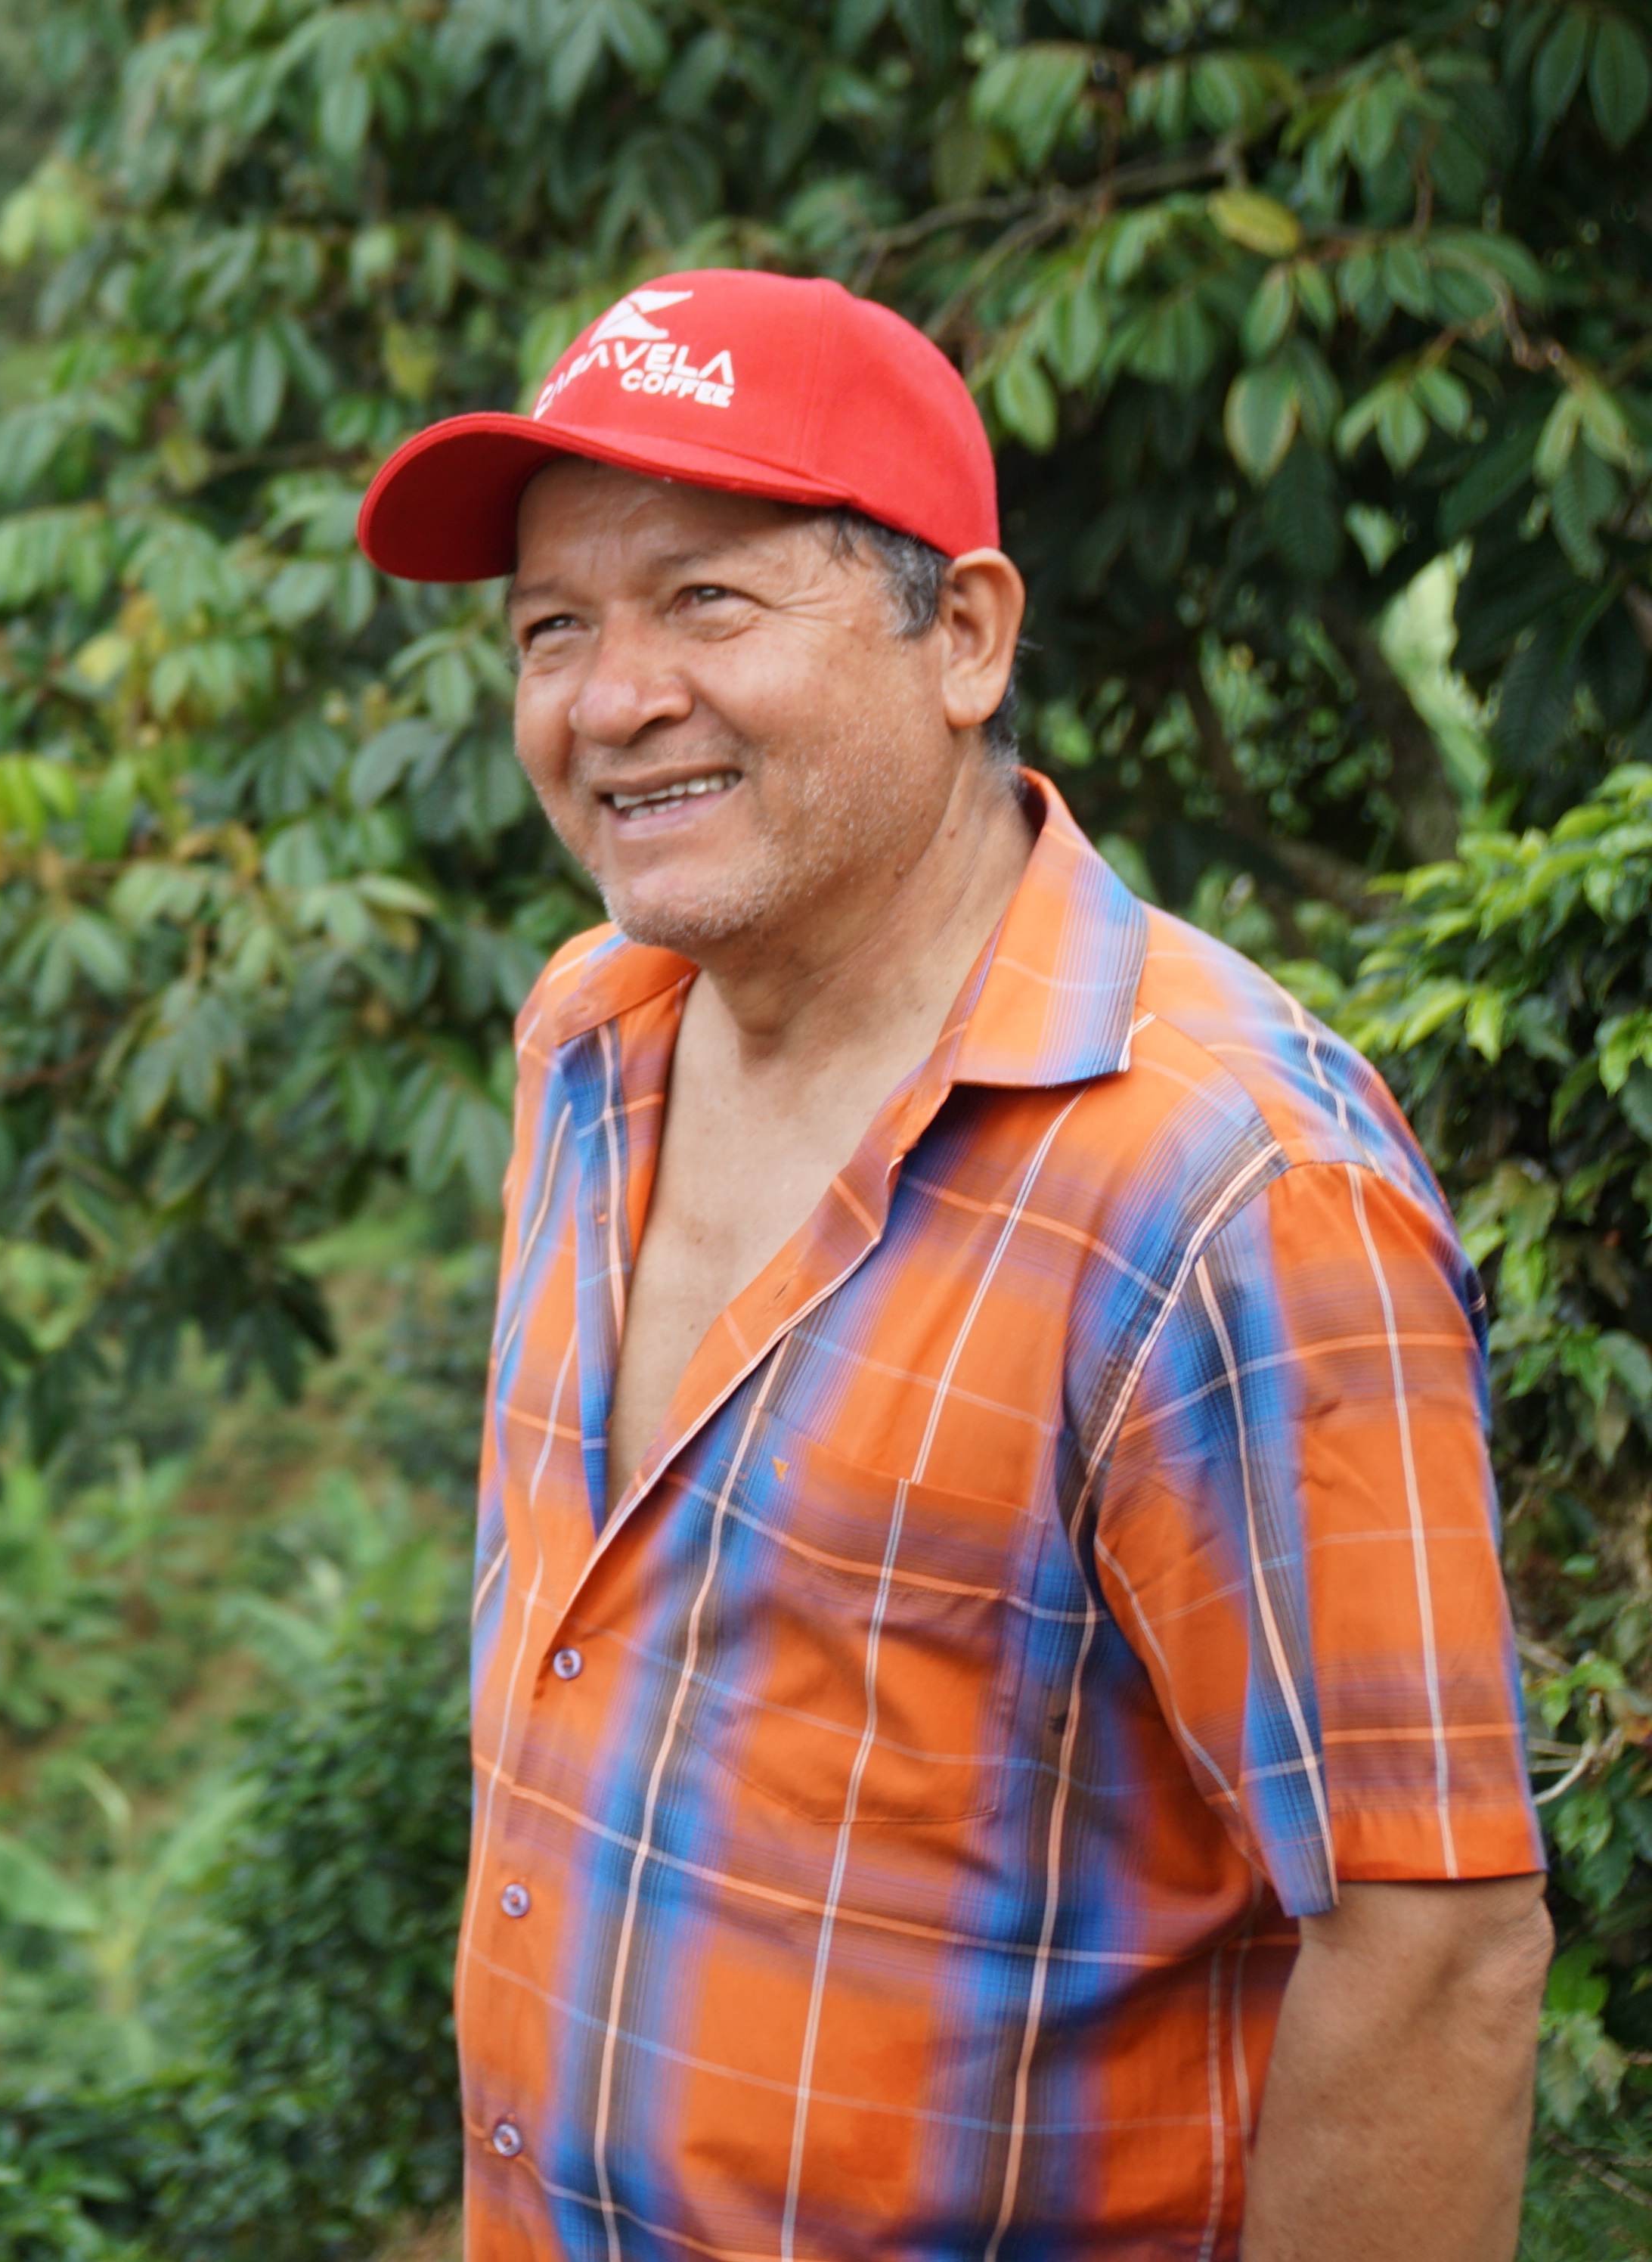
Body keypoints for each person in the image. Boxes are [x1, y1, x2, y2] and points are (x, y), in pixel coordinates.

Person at [355, 272, 1552, 2260]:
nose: (610, 695)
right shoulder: (590, 1043)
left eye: (708, 601)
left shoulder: (1222, 1185)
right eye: (552, 628)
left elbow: (1435, 1954)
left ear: (965, 637)